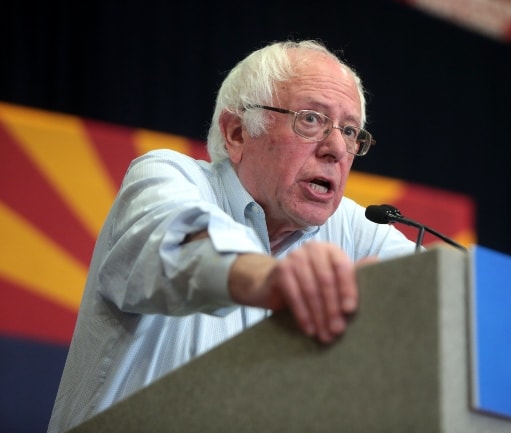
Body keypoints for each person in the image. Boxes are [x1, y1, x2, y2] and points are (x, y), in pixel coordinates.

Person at [47, 39, 414, 432]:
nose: (337, 149)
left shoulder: (355, 228)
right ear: (237, 133)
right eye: (311, 119)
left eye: (350, 130)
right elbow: (179, 242)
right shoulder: (166, 177)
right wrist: (276, 280)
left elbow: (437, 288)